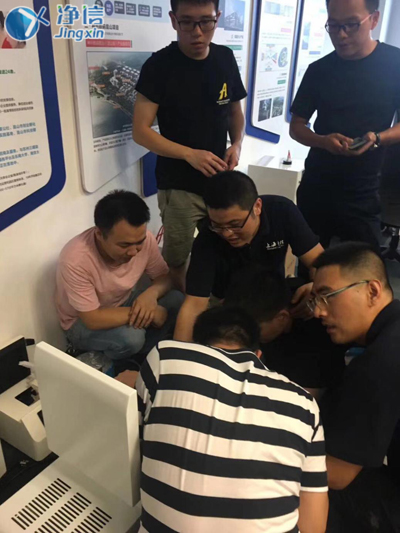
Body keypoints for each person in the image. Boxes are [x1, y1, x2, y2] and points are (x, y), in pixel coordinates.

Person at [135, 306, 329, 532]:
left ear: (197, 345)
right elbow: (314, 526)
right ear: (258, 354)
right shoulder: (305, 404)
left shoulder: (165, 357)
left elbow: (136, 449)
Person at [133, 0, 247, 290]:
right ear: (174, 20)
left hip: (219, 181)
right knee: (177, 258)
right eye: (187, 22)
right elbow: (141, 132)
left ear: (217, 18)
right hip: (179, 185)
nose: (197, 32)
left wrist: (236, 144)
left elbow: (234, 111)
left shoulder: (224, 58)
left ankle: (217, 304)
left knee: (227, 248)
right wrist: (189, 154)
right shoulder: (159, 66)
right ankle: (186, 307)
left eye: (206, 21)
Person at [290, 0, 400, 251]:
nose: (341, 35)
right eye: (334, 25)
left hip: (366, 188)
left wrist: (377, 138)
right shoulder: (319, 70)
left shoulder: (395, 64)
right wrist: (322, 141)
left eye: (351, 25)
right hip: (318, 185)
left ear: (373, 19)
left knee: (362, 264)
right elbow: (296, 126)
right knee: (313, 264)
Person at [309, 242, 400, 531]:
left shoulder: (381, 361)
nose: (318, 312)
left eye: (327, 297)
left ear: (372, 290)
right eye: (315, 300)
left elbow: (337, 475)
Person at [174, 171, 324, 341]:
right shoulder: (207, 239)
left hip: (272, 296)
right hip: (227, 303)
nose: (227, 234)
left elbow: (320, 263)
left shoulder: (282, 211)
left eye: (235, 224)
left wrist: (316, 290)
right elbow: (194, 304)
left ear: (257, 207)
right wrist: (181, 353)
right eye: (217, 225)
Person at [55, 190, 183, 362]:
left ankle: (141, 354)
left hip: (122, 301)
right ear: (99, 234)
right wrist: (150, 313)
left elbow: (164, 278)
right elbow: (92, 319)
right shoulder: (76, 259)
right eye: (124, 245)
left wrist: (151, 294)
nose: (133, 251)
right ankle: (116, 360)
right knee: (132, 338)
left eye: (139, 242)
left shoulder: (145, 240)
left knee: (176, 299)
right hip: (81, 321)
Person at [224, 265, 346, 398]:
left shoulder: (317, 335)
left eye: (253, 331)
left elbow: (305, 398)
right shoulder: (260, 300)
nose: (244, 339)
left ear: (282, 318)